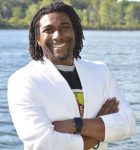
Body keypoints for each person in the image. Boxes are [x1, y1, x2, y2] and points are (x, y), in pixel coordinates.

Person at [8, 2, 136, 150]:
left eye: (65, 27)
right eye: (48, 30)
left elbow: (128, 124)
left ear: (75, 31)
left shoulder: (100, 71)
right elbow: (43, 143)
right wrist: (98, 130)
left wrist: (75, 124)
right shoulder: (23, 81)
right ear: (38, 39)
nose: (57, 36)